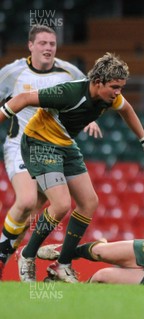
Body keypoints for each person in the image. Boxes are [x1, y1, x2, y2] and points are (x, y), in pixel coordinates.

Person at [0, 52, 144, 283]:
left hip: (64, 144)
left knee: (89, 202)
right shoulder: (68, 92)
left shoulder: (111, 97)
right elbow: (22, 99)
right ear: (97, 83)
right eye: (114, 87)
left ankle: (62, 264)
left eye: (121, 87)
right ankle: (27, 256)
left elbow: (127, 110)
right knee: (60, 205)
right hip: (39, 143)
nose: (119, 92)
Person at [0, 25, 101, 279]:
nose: (48, 48)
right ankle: (5, 254)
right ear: (30, 46)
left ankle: (18, 257)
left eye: (52, 44)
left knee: (33, 210)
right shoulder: (12, 73)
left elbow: (88, 96)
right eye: (42, 43)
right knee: (24, 202)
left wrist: (90, 118)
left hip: (52, 149)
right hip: (19, 145)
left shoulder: (68, 72)